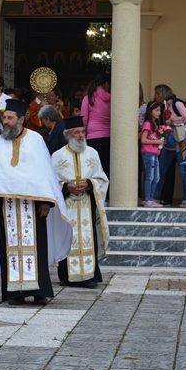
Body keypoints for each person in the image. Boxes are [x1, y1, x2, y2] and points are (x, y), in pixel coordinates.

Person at [0, 99, 72, 305]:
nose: (5, 121)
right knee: (8, 248)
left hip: (33, 206)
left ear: (21, 119)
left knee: (36, 248)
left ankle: (39, 290)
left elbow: (45, 173)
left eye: (9, 118)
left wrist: (47, 203)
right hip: (5, 206)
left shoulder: (35, 140)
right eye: (4, 117)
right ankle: (14, 293)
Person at [52, 115, 109, 288]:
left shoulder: (93, 153)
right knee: (67, 236)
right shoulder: (57, 155)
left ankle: (90, 276)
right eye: (76, 132)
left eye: (82, 132)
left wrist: (89, 184)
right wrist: (66, 187)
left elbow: (102, 179)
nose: (80, 135)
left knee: (88, 236)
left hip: (87, 203)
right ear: (68, 135)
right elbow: (51, 182)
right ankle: (67, 276)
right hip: (67, 206)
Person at [154, 84, 186, 207]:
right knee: (160, 170)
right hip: (169, 143)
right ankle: (155, 198)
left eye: (157, 94)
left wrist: (173, 122)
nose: (155, 96)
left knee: (183, 172)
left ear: (162, 94)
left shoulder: (177, 104)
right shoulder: (164, 106)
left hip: (181, 143)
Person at [81, 75, 111, 182]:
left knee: (94, 166)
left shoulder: (88, 98)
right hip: (108, 135)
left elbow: (84, 119)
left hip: (92, 136)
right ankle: (107, 192)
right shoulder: (111, 98)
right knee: (107, 165)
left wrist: (83, 134)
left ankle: (96, 192)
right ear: (105, 84)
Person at [140, 102, 165, 207]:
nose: (159, 113)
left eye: (160, 110)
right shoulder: (148, 124)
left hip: (155, 153)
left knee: (157, 177)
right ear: (150, 112)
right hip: (148, 153)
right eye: (156, 110)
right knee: (150, 176)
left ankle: (151, 198)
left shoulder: (155, 124)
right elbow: (143, 139)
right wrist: (157, 142)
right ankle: (148, 199)